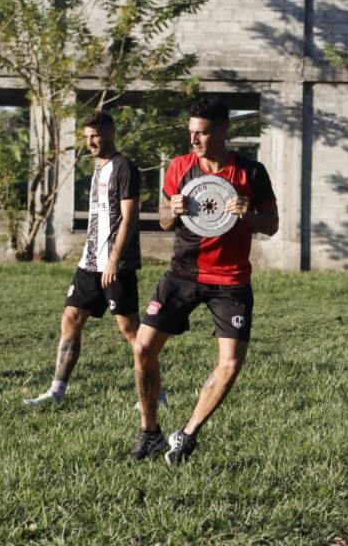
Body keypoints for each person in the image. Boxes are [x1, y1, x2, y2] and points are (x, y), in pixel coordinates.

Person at [127, 96, 278, 462]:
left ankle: (187, 434)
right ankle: (150, 434)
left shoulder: (251, 172)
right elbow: (163, 219)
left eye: (202, 133)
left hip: (230, 279)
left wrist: (247, 215)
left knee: (230, 364)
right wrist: (172, 211)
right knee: (143, 348)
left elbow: (271, 226)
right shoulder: (180, 167)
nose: (194, 140)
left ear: (224, 131)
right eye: (191, 132)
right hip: (184, 273)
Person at [24, 111, 166, 408]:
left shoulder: (125, 168)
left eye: (95, 136)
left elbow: (129, 218)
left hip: (117, 265)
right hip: (89, 263)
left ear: (110, 133)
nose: (90, 142)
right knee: (71, 318)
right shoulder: (98, 168)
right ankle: (56, 392)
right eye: (86, 137)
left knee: (131, 331)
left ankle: (155, 393)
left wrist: (113, 260)